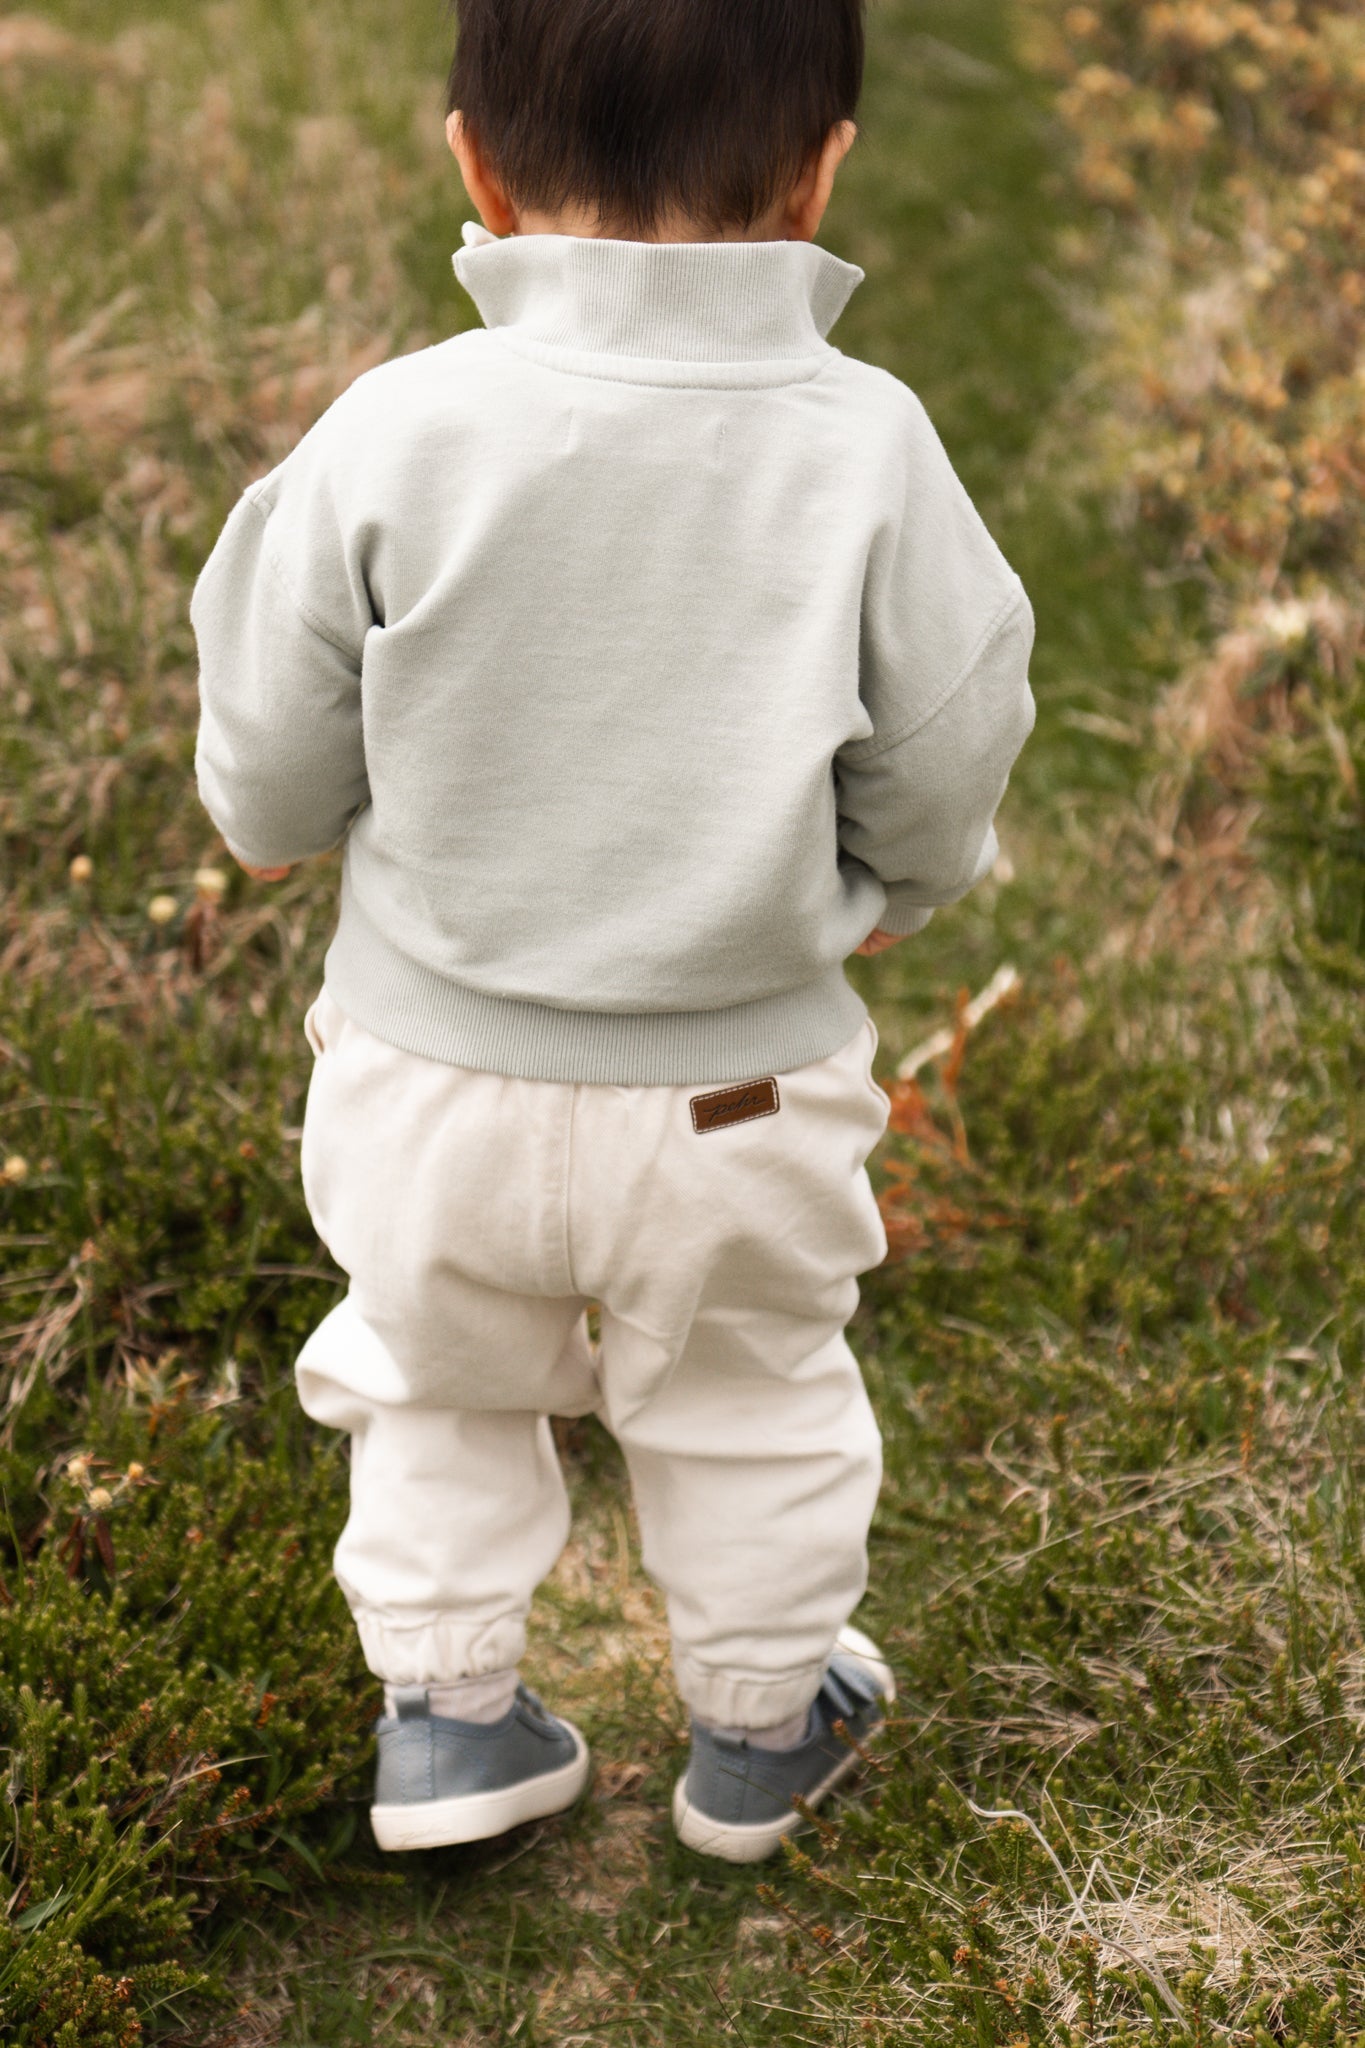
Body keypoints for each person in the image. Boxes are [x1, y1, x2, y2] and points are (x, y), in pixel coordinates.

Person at [191, 0, 1035, 1864]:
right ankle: (753, 1734)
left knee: (428, 1379)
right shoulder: (872, 448)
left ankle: (451, 1721)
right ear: (824, 165)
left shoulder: (390, 432)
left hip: (425, 1084)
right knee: (746, 1397)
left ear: (474, 164)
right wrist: (887, 887)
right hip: (734, 1089)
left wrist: (300, 827)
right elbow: (950, 732)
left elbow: (261, 771)